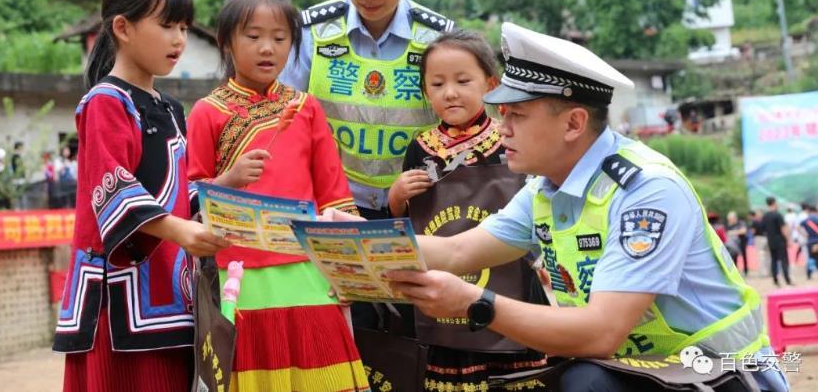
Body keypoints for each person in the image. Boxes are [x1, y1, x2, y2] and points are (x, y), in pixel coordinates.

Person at [329, 23, 787, 392]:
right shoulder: (546, 188)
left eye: (518, 116)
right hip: (637, 371)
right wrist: (355, 240)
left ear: (573, 122)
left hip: (716, 374)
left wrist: (476, 303)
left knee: (580, 381)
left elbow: (601, 333)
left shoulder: (645, 191)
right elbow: (458, 253)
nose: (502, 127)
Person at [53, 0, 230, 392]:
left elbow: (174, 193)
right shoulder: (105, 102)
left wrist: (228, 184)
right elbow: (111, 188)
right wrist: (181, 232)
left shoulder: (170, 108)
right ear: (122, 28)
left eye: (184, 27)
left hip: (169, 295)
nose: (179, 40)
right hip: (117, 308)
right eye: (167, 25)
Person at [186, 0, 370, 392]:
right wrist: (229, 180)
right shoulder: (207, 112)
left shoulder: (306, 108)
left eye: (280, 38)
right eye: (253, 36)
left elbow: (334, 196)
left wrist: (347, 271)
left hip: (308, 269)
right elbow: (190, 198)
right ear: (227, 42)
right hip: (240, 276)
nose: (267, 48)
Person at [387, 30, 545, 391]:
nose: (450, 92)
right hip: (443, 281)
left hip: (511, 275)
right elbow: (405, 226)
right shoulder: (421, 149)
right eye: (437, 83)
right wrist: (396, 198)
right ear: (425, 90)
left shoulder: (509, 140)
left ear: (490, 84)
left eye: (462, 80)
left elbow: (539, 205)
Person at [279, 0, 454, 220]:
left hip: (420, 204)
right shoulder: (312, 32)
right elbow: (281, 118)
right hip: (329, 203)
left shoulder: (438, 39)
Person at [762, 197, 792, 287]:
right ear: (774, 203)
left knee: (774, 260)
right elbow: (783, 228)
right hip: (780, 241)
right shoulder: (778, 215)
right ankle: (787, 279)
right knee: (784, 260)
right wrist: (788, 239)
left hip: (771, 241)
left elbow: (763, 229)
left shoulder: (765, 216)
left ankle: (775, 280)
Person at [726, 211, 749, 275]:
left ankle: (745, 270)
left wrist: (733, 232)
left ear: (734, 218)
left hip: (742, 241)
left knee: (744, 256)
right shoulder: (729, 225)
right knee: (734, 256)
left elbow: (743, 231)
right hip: (733, 244)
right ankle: (735, 271)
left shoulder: (741, 223)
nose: (730, 221)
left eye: (731, 219)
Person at [799, 205, 818, 279]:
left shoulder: (806, 220)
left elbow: (798, 227)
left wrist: (805, 234)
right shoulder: (817, 218)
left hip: (810, 241)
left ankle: (808, 274)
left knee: (811, 258)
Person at [750, 209, 769, 276]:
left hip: (758, 238)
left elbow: (753, 231)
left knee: (761, 256)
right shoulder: (765, 221)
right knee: (768, 256)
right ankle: (768, 271)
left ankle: (763, 272)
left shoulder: (755, 222)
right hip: (766, 238)